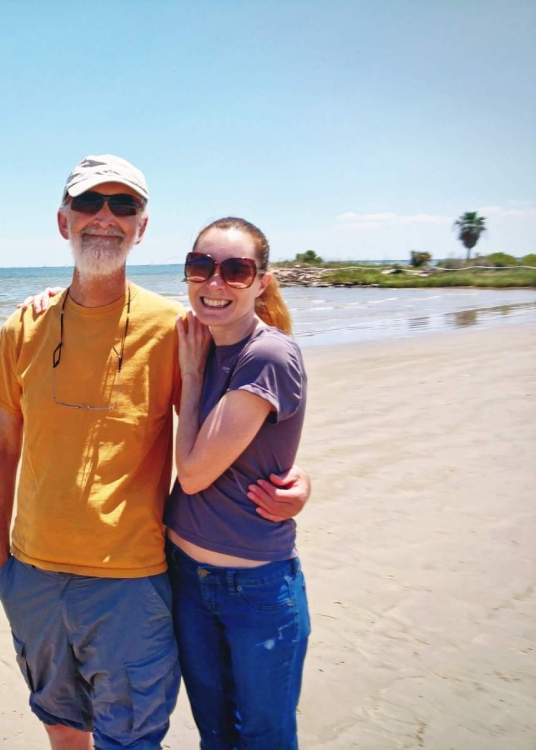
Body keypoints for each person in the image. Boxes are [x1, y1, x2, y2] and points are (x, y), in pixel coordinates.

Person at [0, 155, 309, 750]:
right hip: (33, 575)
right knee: (61, 726)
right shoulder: (24, 326)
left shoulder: (179, 330)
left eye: (123, 205)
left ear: (142, 227)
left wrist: (300, 483)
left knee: (131, 740)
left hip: (131, 582)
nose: (105, 217)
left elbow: (246, 424)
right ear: (63, 221)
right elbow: (3, 445)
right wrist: (1, 558)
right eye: (89, 203)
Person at [165, 217, 310, 750]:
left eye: (235, 270)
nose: (214, 282)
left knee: (264, 739)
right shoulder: (200, 340)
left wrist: (191, 377)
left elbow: (193, 474)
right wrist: (48, 299)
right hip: (186, 578)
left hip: (255, 589)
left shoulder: (267, 354)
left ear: (261, 282)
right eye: (201, 266)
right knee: (216, 736)